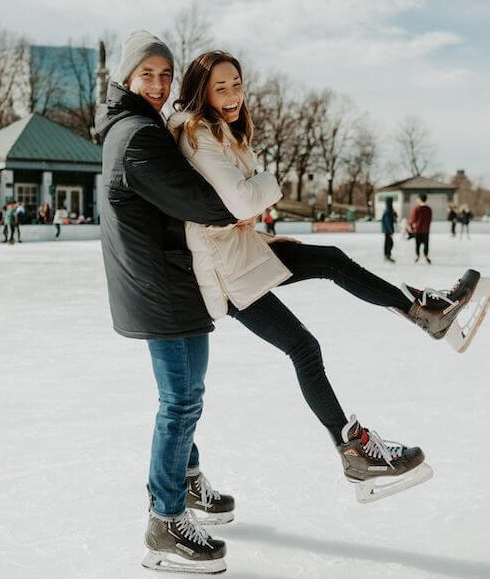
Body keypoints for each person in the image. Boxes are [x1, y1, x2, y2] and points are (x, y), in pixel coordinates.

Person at [167, 49, 481, 508]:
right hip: (227, 273)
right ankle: (355, 441)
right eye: (221, 87)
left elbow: (244, 202)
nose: (233, 94)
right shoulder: (197, 133)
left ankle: (424, 314)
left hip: (244, 252)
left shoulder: (225, 133)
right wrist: (266, 185)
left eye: (237, 83)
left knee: (329, 267)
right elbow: (241, 198)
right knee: (306, 341)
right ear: (202, 92)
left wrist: (252, 201)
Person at [95, 31, 243, 575]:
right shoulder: (138, 135)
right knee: (180, 400)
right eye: (146, 75)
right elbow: (197, 199)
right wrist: (239, 206)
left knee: (186, 394)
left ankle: (184, 477)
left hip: (162, 279)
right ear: (127, 79)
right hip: (160, 285)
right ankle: (165, 520)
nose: (157, 84)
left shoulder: (137, 126)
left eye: (165, 74)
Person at [408, 193, 432, 263]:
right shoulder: (429, 209)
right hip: (426, 229)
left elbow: (413, 218)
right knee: (426, 243)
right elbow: (429, 219)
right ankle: (426, 255)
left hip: (417, 229)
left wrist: (410, 225)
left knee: (417, 243)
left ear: (419, 199)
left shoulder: (417, 208)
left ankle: (417, 256)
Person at [381, 196, 396, 262]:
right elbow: (388, 222)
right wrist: (391, 231)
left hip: (387, 230)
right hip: (388, 230)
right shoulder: (388, 211)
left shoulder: (388, 210)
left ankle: (387, 255)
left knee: (388, 242)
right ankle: (387, 255)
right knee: (389, 243)